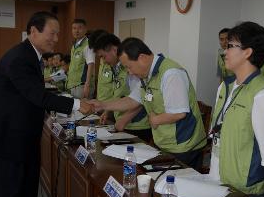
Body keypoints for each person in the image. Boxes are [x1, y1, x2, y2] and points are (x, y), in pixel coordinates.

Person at [0, 11, 93, 197]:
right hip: (7, 142)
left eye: (58, 34)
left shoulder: (32, 56)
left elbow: (30, 96)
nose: (56, 39)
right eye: (52, 33)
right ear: (33, 31)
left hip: (23, 139)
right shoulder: (20, 58)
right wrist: (78, 104)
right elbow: (36, 95)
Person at [90, 38, 207, 170]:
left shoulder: (171, 73)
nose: (129, 72)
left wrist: (155, 119)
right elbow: (132, 101)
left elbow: (179, 113)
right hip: (164, 142)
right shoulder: (147, 76)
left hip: (184, 145)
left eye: (129, 66)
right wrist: (103, 105)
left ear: (142, 58)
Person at [209, 21, 264, 197]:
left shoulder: (262, 94)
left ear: (247, 52)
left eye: (230, 46)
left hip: (244, 186)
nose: (224, 52)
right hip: (218, 174)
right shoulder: (225, 86)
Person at [89, 33, 152, 142]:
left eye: (103, 56)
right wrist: (107, 110)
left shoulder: (132, 68)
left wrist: (124, 119)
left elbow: (140, 99)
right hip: (123, 121)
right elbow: (118, 93)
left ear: (114, 50)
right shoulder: (116, 68)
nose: (103, 61)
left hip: (137, 125)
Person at [66, 18, 95, 99]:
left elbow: (91, 64)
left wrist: (87, 85)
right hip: (73, 85)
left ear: (85, 29)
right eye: (74, 28)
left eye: (79, 28)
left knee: (83, 110)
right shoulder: (74, 46)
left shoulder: (88, 44)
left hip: (82, 86)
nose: (76, 31)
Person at [88, 29, 114, 102]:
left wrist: (107, 110)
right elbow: (102, 83)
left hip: (112, 108)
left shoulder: (118, 63)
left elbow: (120, 93)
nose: (97, 54)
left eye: (97, 51)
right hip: (102, 105)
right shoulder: (102, 59)